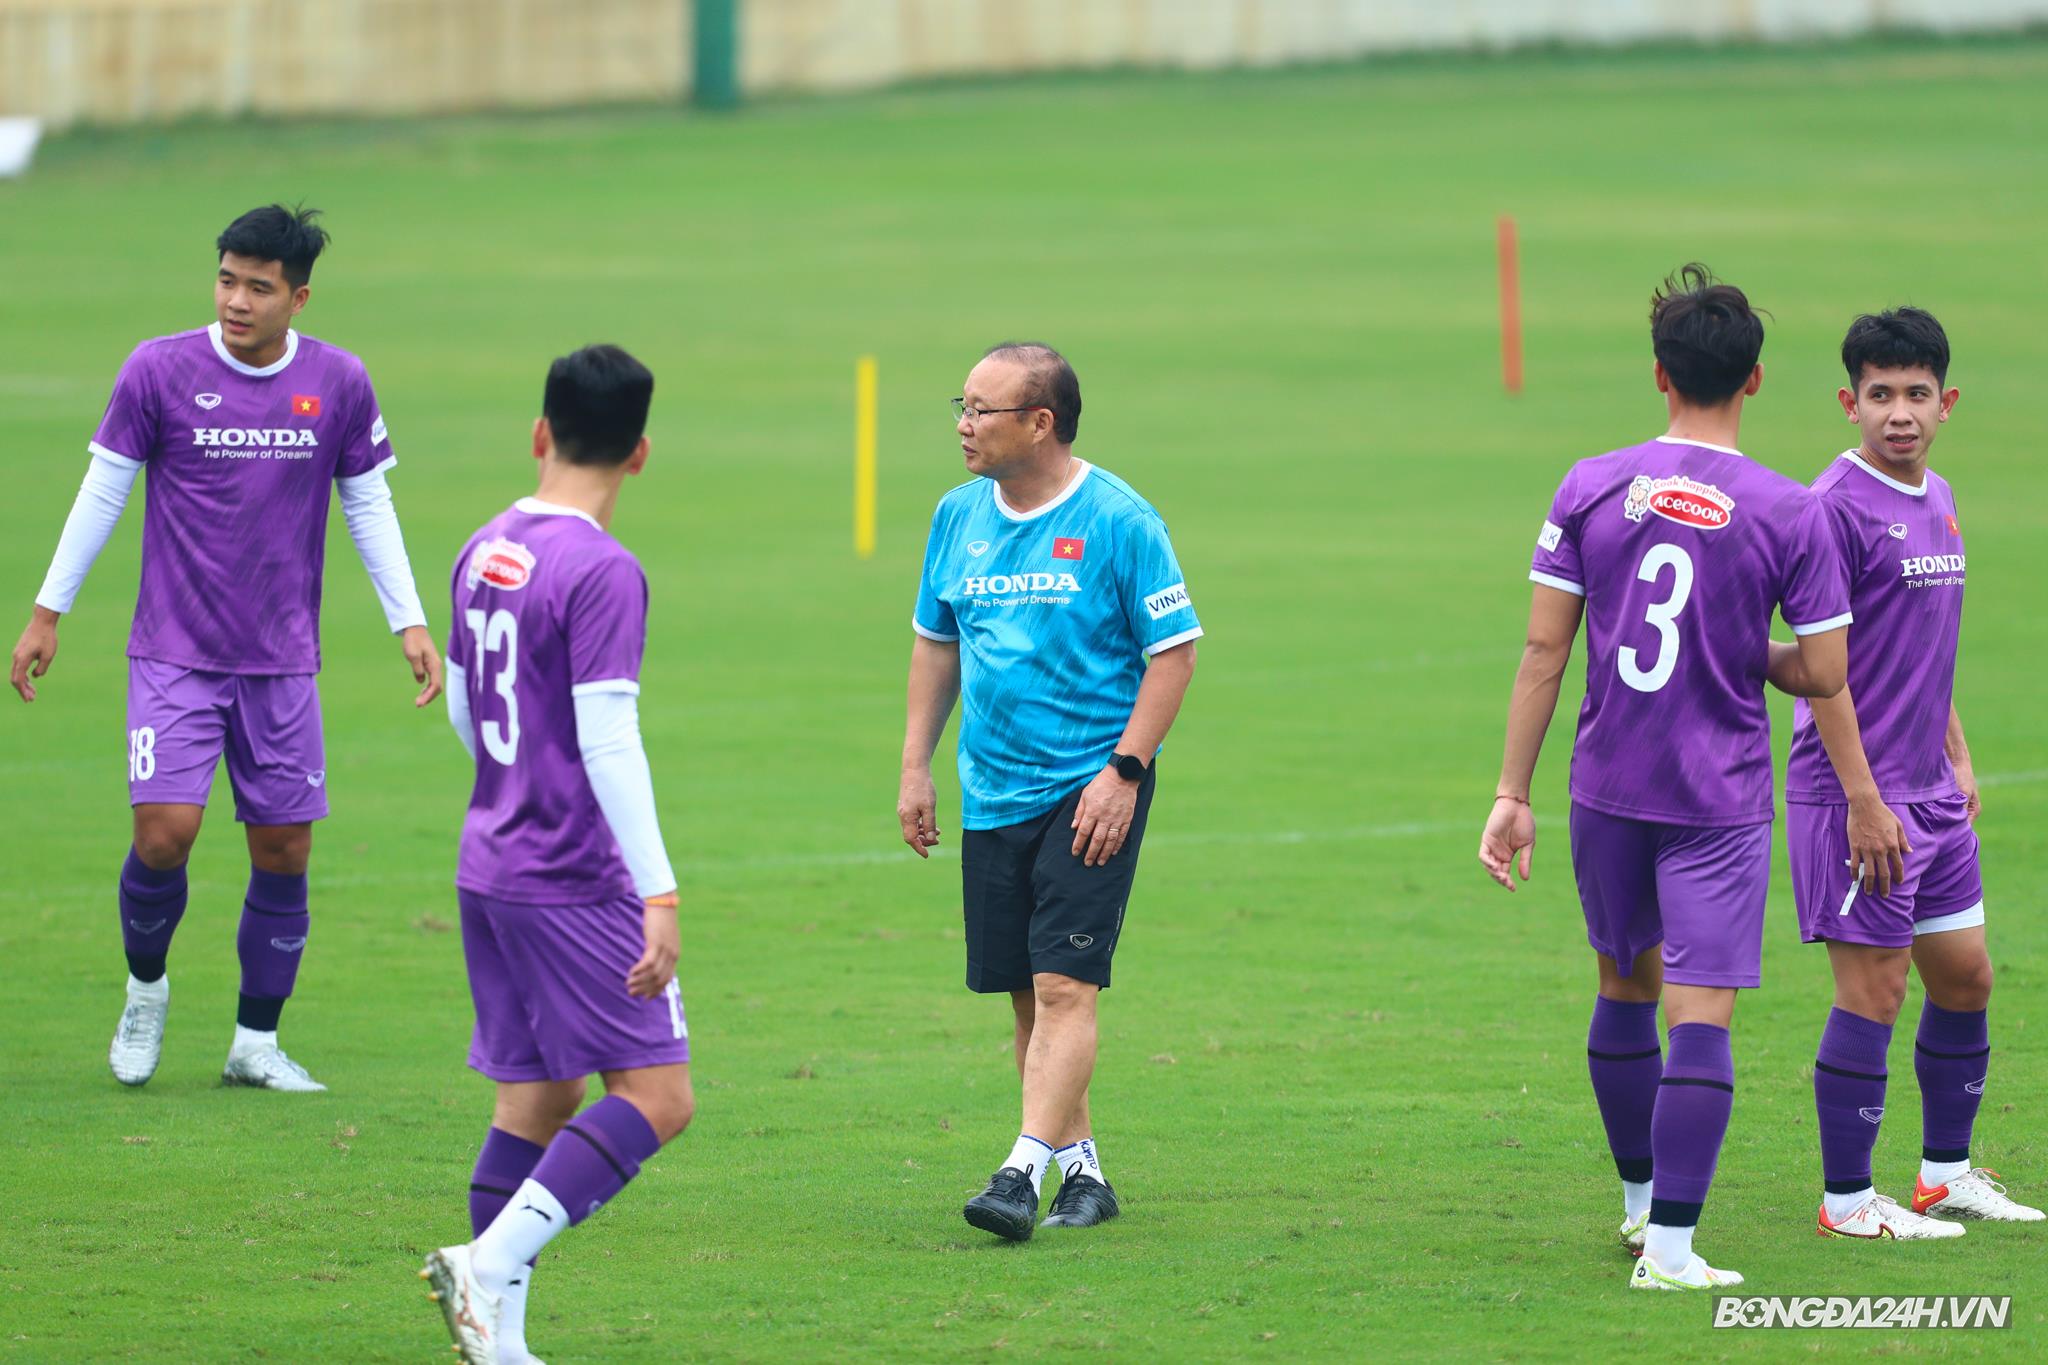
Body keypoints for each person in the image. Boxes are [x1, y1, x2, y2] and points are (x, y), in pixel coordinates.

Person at [8, 203, 441, 1092]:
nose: (237, 300)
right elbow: (103, 489)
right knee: (165, 833)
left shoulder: (339, 381)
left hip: (282, 661)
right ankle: (146, 990)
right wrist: (48, 612)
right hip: (174, 651)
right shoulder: (158, 369)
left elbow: (367, 501)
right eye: (226, 280)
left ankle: (255, 1041)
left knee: (284, 851)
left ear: (298, 298)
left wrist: (409, 620)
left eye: (259, 287)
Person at [1477, 265, 1851, 1290]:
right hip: (1715, 801)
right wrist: (1739, 649)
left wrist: (1511, 793)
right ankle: (1673, 1253)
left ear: (1658, 374)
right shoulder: (1788, 510)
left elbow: (1544, 651)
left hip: (1605, 787)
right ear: (1754, 380)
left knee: (1621, 987)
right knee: (1700, 1015)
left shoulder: (1588, 484)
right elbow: (1822, 672)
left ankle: (1641, 1207)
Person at [421, 344, 691, 1365]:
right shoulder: (602, 569)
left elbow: (463, 706)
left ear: (539, 433)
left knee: (538, 1098)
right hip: (573, 874)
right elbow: (608, 737)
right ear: (640, 454)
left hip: (489, 858)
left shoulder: (483, 545)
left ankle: (500, 1342)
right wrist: (658, 892)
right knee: (657, 1097)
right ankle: (484, 1264)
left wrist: (513, 783)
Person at [898, 342, 1201, 1241]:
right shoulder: (956, 515)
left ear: (1040, 423)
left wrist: (1124, 773)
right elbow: (936, 644)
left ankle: (1019, 1171)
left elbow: (1174, 654)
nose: (963, 423)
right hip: (992, 787)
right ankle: (1085, 1176)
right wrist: (915, 764)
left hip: (1091, 788)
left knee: (1066, 988)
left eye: (981, 409)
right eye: (961, 405)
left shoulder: (1120, 519)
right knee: (1030, 997)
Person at [1786, 307, 2041, 1240]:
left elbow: (1919, 646)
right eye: (1881, 394)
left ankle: (1944, 1175)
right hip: (1856, 795)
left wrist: (1957, 752)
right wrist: (1864, 800)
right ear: (1849, 401)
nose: (1900, 412)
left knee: (1965, 976)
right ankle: (1847, 1201)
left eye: (1917, 394)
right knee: (1876, 991)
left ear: (1947, 403)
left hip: (1930, 790)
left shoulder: (1941, 496)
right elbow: (1825, 673)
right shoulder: (1831, 508)